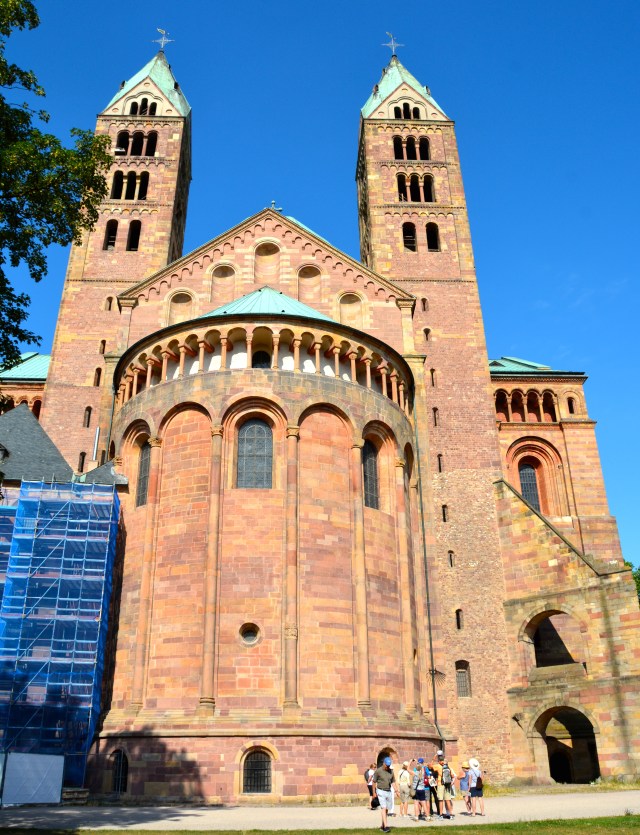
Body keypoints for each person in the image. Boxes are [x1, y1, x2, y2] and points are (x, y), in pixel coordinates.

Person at [372, 756, 399, 833]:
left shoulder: (391, 771)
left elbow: (393, 781)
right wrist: (374, 793)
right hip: (380, 791)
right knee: (383, 808)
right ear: (383, 763)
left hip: (388, 791)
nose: (387, 766)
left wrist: (397, 791)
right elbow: (374, 782)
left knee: (386, 809)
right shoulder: (378, 771)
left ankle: (383, 825)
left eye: (388, 765)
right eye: (386, 765)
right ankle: (386, 826)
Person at [434, 750, 456, 820]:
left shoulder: (438, 766)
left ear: (440, 761)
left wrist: (433, 758)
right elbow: (453, 776)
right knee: (448, 800)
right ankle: (451, 815)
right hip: (448, 785)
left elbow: (430, 766)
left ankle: (440, 815)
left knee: (440, 800)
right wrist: (451, 782)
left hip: (441, 784)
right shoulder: (449, 767)